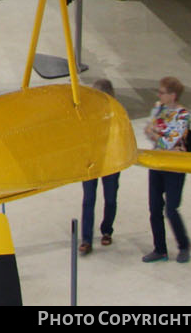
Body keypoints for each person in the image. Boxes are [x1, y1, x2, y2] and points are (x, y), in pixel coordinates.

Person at [143, 76, 191, 263]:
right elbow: (148, 129)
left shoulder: (182, 115)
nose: (159, 95)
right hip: (157, 163)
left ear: (173, 95)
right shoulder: (158, 107)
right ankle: (160, 249)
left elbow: (168, 141)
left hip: (175, 167)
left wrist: (158, 135)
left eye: (162, 92)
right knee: (154, 208)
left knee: (171, 209)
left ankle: (184, 246)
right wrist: (158, 136)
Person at [79, 78, 120, 254]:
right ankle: (86, 239)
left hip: (111, 161)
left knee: (110, 198)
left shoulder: (116, 113)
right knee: (89, 199)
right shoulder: (86, 112)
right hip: (91, 161)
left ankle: (107, 230)